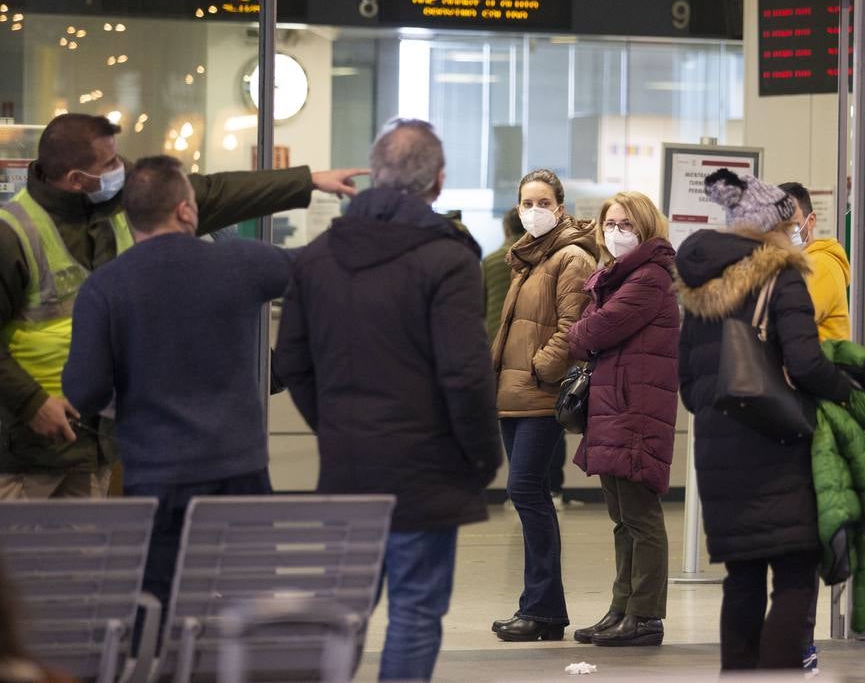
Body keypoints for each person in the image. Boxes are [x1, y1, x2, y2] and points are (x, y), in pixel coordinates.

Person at [0, 112, 364, 499]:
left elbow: (219, 191)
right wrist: (32, 403)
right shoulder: (15, 233)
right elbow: (312, 270)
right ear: (75, 179)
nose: (120, 170)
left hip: (101, 449)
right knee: (24, 557)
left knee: (99, 555)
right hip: (25, 446)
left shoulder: (114, 239)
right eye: (108, 164)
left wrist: (306, 181)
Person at [273, 119, 501, 682]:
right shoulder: (449, 260)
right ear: (438, 181)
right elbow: (465, 374)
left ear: (373, 175)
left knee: (342, 612)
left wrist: (335, 427)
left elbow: (294, 362)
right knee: (416, 611)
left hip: (346, 466)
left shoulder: (316, 257)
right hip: (425, 471)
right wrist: (482, 456)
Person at [60, 156, 287, 609]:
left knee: (158, 608)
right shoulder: (241, 262)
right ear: (185, 210)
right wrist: (290, 365)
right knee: (254, 603)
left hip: (157, 475)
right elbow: (320, 277)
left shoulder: (105, 288)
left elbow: (84, 390)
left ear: (129, 216)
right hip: (238, 469)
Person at [676, 170, 854, 672]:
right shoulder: (783, 277)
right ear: (773, 227)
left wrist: (715, 413)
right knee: (796, 575)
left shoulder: (700, 284)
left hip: (718, 446)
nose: (799, 230)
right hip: (778, 444)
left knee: (743, 577)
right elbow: (805, 364)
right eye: (793, 223)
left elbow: (686, 378)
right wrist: (848, 391)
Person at [566, 191, 679, 649]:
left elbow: (592, 330)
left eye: (625, 224)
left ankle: (646, 615)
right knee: (622, 516)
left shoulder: (649, 278)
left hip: (635, 411)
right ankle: (622, 607)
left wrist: (579, 330)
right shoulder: (617, 277)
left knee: (640, 516)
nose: (615, 232)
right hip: (615, 408)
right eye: (609, 224)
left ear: (645, 227)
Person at [490, 169, 598, 642]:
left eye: (542, 201)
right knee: (526, 494)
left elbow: (571, 329)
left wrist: (538, 371)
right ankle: (540, 608)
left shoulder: (569, 257)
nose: (532, 209)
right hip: (512, 395)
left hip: (537, 393)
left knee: (526, 491)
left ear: (559, 206)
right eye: (525, 201)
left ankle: (543, 608)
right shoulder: (528, 259)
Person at [777, 181, 851, 674]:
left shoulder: (820, 263)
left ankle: (798, 640)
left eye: (789, 222)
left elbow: (785, 325)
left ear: (809, 222)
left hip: (810, 410)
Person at [778, 182, 851, 342]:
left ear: (810, 221)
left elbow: (793, 322)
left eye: (792, 224)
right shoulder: (791, 263)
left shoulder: (820, 264)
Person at [485, 208, 526, 343]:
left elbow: (479, 303)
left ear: (506, 230)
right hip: (526, 337)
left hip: (495, 334)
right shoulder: (536, 259)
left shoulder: (490, 261)